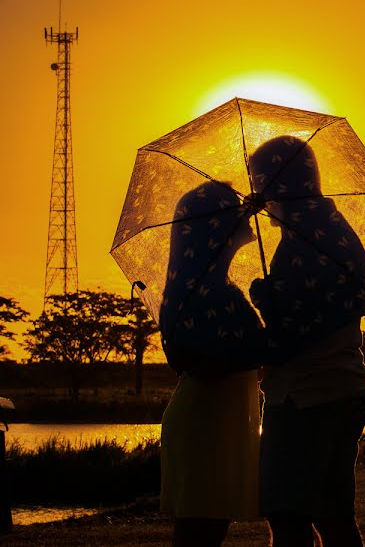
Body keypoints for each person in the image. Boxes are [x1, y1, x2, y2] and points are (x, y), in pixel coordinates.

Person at [249, 135, 365, 547]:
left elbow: (295, 330)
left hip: (305, 397)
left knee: (288, 519)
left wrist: (263, 296)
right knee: (334, 515)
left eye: (259, 182)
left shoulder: (302, 240)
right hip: (342, 389)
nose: (255, 194)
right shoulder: (332, 229)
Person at [158, 181, 266, 547]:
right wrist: (269, 330)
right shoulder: (202, 290)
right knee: (198, 533)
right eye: (234, 208)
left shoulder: (207, 285)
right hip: (205, 425)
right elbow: (210, 361)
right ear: (216, 227)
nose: (245, 213)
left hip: (215, 423)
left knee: (208, 529)